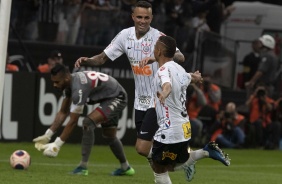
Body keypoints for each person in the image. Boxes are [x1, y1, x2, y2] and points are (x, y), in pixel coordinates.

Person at [74, 0, 185, 169]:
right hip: (140, 100)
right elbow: (103, 58)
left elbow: (180, 57)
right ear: (133, 17)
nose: (143, 21)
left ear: (151, 18)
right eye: (139, 17)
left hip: (159, 99)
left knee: (142, 147)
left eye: (146, 17)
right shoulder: (125, 36)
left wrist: (157, 57)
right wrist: (87, 60)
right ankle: (178, 162)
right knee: (145, 149)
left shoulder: (159, 37)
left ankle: (176, 163)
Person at [151, 35, 230, 183]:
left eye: (155, 47)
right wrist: (196, 77)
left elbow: (167, 85)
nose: (153, 50)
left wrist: (164, 93)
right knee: (171, 166)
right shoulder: (179, 69)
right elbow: (190, 78)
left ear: (160, 51)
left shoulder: (163, 70)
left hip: (170, 129)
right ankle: (206, 152)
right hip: (184, 127)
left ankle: (206, 152)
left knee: (159, 168)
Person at [33, 63, 135, 176]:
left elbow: (72, 121)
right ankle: (126, 168)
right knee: (109, 135)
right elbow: (63, 112)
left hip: (117, 96)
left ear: (66, 78)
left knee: (87, 123)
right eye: (53, 81)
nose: (54, 85)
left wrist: (57, 145)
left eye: (57, 82)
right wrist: (48, 135)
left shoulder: (78, 89)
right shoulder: (69, 84)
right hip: (108, 96)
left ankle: (83, 167)